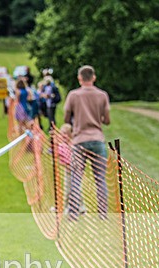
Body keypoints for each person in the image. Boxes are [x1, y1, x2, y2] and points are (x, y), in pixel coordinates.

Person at [63, 65, 111, 219]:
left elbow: (66, 118)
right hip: (97, 139)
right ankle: (103, 214)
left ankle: (74, 213)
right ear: (94, 77)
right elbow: (107, 120)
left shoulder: (73, 95)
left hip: (79, 140)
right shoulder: (102, 95)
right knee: (100, 178)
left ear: (79, 78)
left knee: (76, 177)